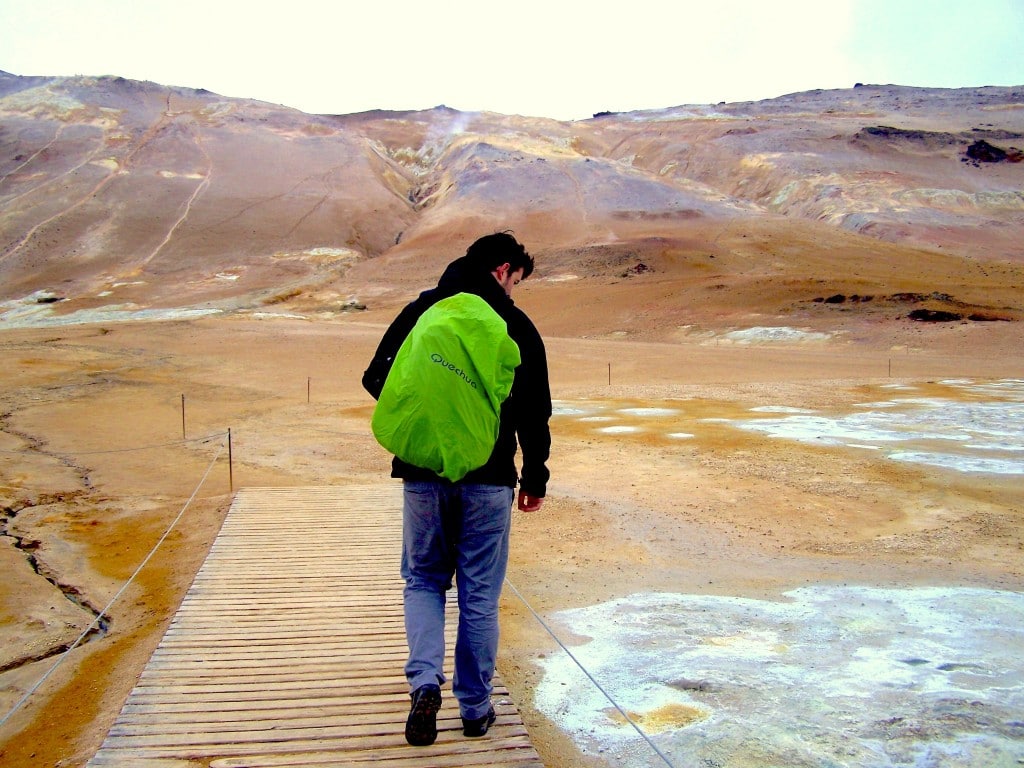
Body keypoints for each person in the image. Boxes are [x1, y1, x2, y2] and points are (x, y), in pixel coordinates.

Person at [362, 231, 551, 747]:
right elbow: (535, 410)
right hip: (490, 481)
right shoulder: (516, 325)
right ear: (503, 269)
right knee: (480, 596)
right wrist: (534, 477)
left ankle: (424, 683)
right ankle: (475, 708)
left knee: (423, 580)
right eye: (516, 281)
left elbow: (376, 378)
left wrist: (427, 421)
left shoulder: (423, 311)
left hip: (422, 474)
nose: (515, 292)